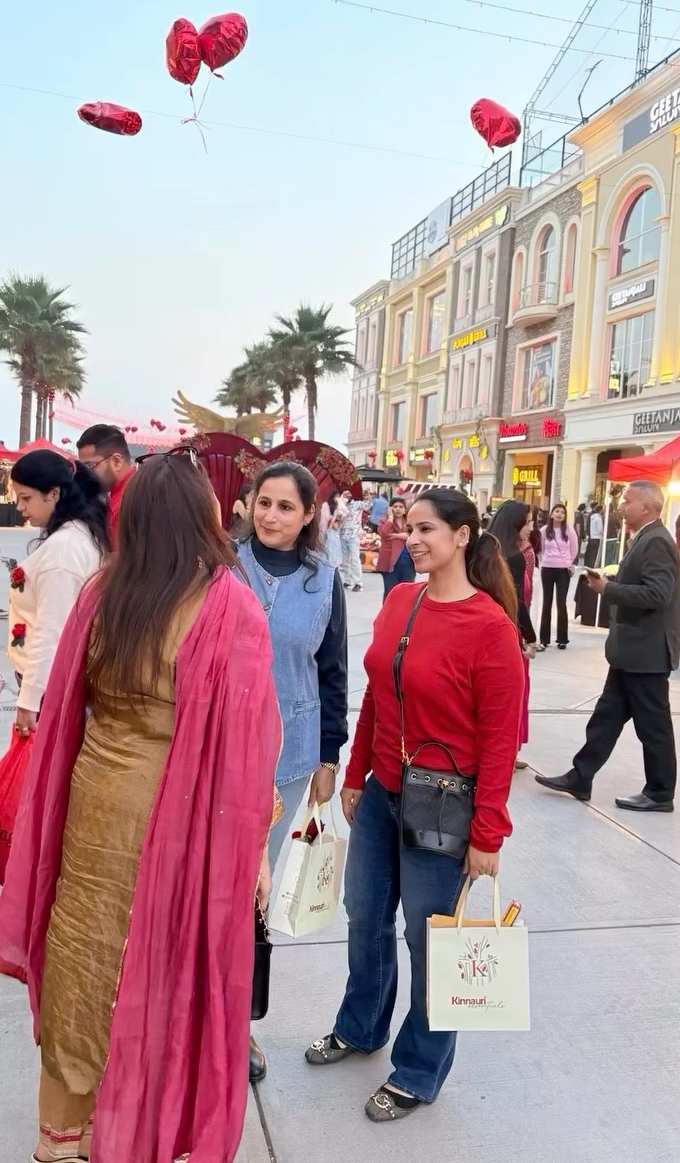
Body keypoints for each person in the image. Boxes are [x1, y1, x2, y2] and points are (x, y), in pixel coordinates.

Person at [0, 448, 282, 1163]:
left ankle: (66, 1136)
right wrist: (252, 848)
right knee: (157, 964)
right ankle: (134, 1132)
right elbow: (248, 750)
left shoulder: (105, 590)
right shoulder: (229, 606)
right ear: (202, 517)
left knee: (84, 954)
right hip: (176, 809)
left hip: (93, 798)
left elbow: (67, 701)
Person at [304, 489, 523, 1121]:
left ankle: (419, 1070)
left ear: (463, 535)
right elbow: (378, 693)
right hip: (383, 792)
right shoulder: (402, 599)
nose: (413, 539)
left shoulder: (490, 628)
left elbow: (500, 740)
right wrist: (357, 772)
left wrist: (488, 833)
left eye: (427, 529)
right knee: (365, 917)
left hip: (446, 804)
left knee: (431, 943)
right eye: (409, 527)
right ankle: (361, 1026)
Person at [236, 462, 349, 1083]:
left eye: (286, 506)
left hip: (288, 759)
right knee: (214, 887)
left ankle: (240, 1023)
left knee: (255, 893)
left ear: (309, 515)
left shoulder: (323, 580)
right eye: (264, 502)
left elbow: (333, 673)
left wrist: (330, 757)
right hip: (221, 755)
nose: (271, 515)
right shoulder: (222, 567)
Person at [536, 480, 680, 813]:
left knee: (653, 727)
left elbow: (658, 594)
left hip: (646, 653)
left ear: (647, 506)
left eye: (627, 501)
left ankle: (660, 793)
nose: (621, 507)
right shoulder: (645, 537)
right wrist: (611, 583)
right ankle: (580, 776)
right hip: (631, 652)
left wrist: (609, 589)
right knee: (606, 718)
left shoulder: (657, 541)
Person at [9, 450, 111, 736]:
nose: (19, 506)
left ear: (53, 494)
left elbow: (51, 632)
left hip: (49, 687)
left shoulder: (64, 549)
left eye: (26, 498)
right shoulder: (78, 534)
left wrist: (30, 699)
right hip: (58, 683)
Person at [488, 501, 537, 771]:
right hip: (509, 631)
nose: (531, 528)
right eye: (527, 522)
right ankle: (506, 751)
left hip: (487, 628)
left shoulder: (486, 550)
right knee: (512, 694)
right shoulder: (514, 556)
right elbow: (516, 601)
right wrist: (530, 637)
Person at [76, 424, 135, 546]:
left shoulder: (128, 501)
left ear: (116, 462)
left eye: (89, 466)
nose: (84, 474)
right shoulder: (126, 493)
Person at [538, 503, 578, 650]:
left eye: (562, 512)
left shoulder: (569, 530)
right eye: (557, 511)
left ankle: (562, 639)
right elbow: (540, 550)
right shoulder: (544, 531)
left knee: (561, 603)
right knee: (546, 603)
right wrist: (546, 560)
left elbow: (574, 549)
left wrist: (568, 562)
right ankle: (544, 639)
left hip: (563, 570)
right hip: (547, 568)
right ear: (551, 514)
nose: (559, 514)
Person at [377, 497, 415, 602]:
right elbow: (385, 534)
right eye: (395, 506)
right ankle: (388, 612)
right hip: (390, 561)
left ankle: (405, 612)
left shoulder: (409, 522)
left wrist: (396, 536)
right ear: (390, 509)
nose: (398, 509)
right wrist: (390, 519)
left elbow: (413, 535)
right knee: (390, 591)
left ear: (405, 510)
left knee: (407, 591)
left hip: (408, 562)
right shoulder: (384, 521)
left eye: (401, 507)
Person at [340, 489, 364, 592]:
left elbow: (368, 505)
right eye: (345, 494)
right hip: (342, 534)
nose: (347, 495)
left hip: (354, 535)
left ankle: (358, 582)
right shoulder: (340, 505)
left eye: (349, 493)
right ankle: (347, 580)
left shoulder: (357, 504)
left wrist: (367, 496)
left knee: (355, 559)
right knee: (345, 560)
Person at [319, 489, 346, 569]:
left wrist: (342, 516)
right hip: (328, 532)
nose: (337, 498)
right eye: (336, 496)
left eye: (338, 497)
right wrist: (335, 514)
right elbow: (329, 524)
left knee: (335, 552)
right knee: (329, 552)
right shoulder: (326, 506)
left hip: (336, 535)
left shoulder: (339, 507)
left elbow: (340, 526)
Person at [585, 502, 604, 569]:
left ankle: (590, 565)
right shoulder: (598, 518)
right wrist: (603, 533)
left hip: (592, 537)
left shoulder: (592, 517)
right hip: (598, 538)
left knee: (591, 554)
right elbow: (600, 529)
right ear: (600, 510)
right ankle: (594, 566)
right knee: (596, 554)